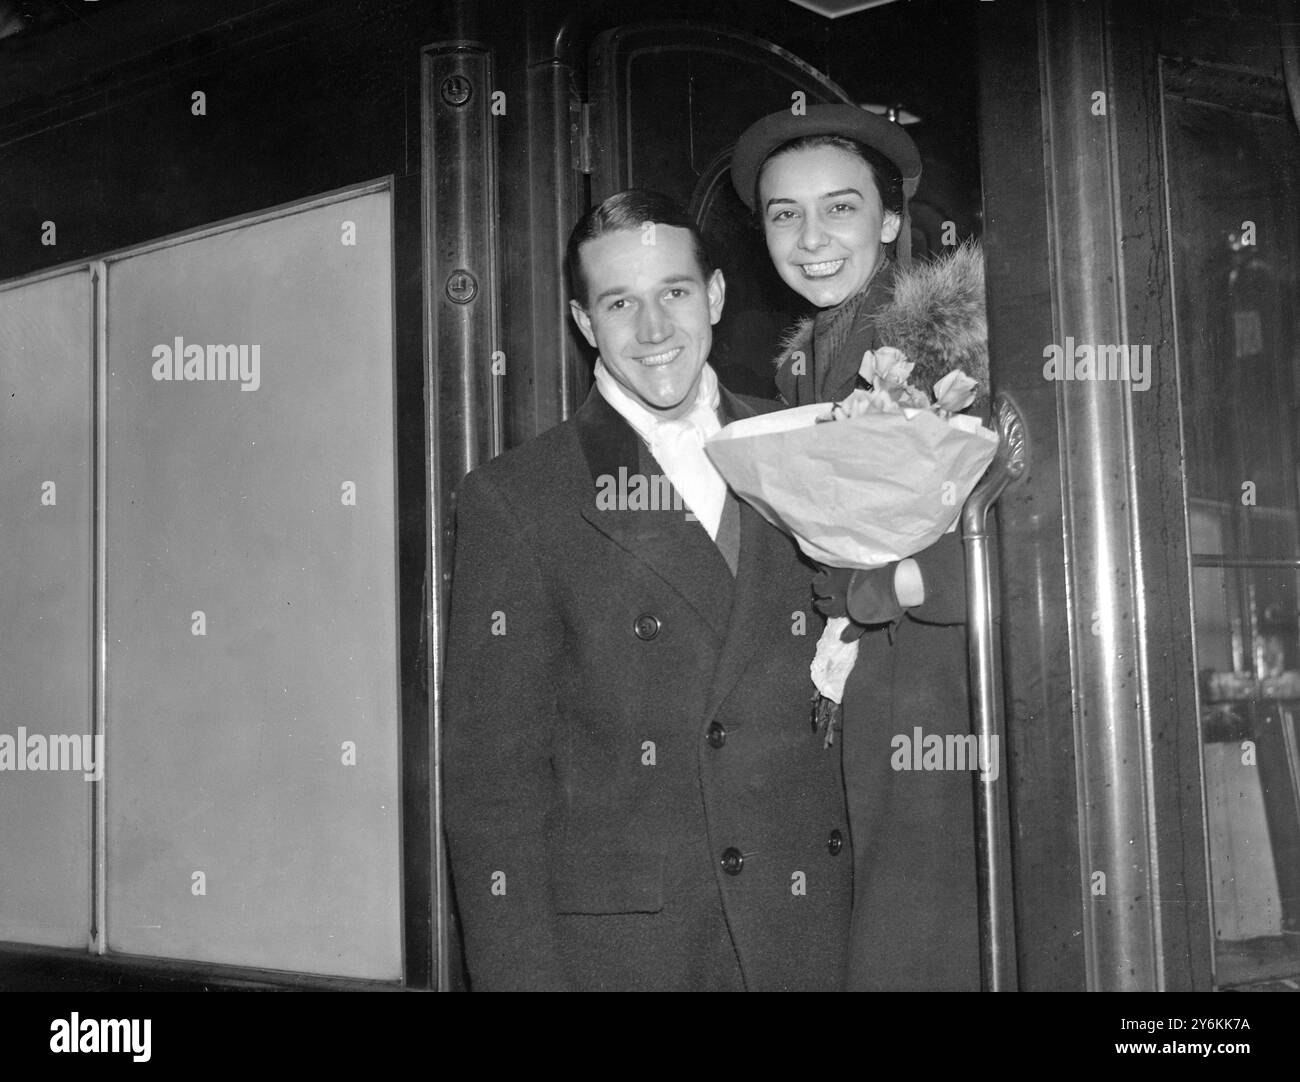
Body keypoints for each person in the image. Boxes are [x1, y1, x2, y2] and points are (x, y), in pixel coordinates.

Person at [441, 189, 852, 991]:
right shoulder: (518, 497)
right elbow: (493, 788)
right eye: (620, 302)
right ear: (585, 323)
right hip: (642, 955)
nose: (654, 330)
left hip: (810, 932)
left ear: (718, 297)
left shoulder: (806, 442)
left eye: (675, 292)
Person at [730, 104, 988, 991]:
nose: (810, 240)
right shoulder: (807, 363)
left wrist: (893, 582)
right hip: (868, 683)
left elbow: (1030, 525)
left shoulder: (947, 341)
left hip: (942, 692)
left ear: (888, 221)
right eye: (782, 214)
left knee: (921, 947)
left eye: (839, 209)